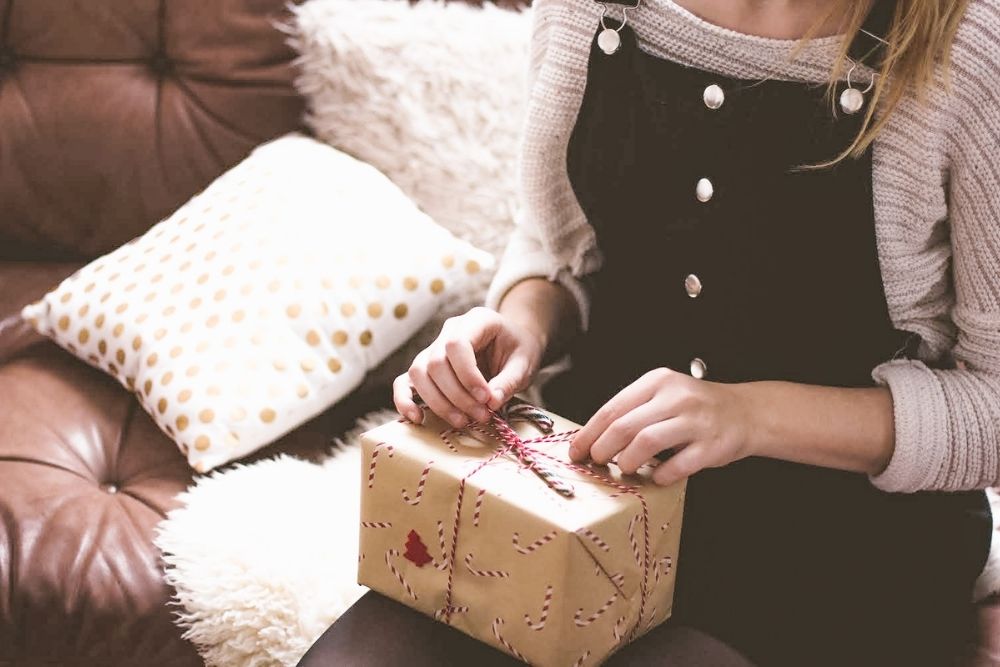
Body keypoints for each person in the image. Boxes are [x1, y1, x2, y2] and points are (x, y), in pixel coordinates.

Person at [302, 1, 999, 665]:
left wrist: (748, 415)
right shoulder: (586, 9)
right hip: (590, 494)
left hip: (839, 547)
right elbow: (556, 242)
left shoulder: (971, 44)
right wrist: (521, 324)